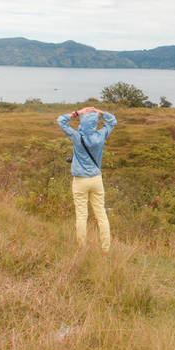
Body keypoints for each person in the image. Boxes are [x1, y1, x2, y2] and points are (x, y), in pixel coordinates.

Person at [57, 106, 117, 252]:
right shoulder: (101, 135)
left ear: (82, 122)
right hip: (96, 179)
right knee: (101, 214)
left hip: (80, 181)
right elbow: (113, 121)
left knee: (82, 215)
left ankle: (82, 247)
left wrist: (78, 112)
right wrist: (100, 112)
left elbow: (61, 121)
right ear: (95, 123)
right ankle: (105, 249)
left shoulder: (77, 137)